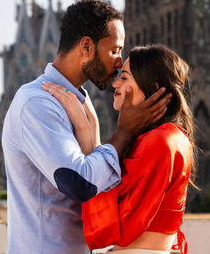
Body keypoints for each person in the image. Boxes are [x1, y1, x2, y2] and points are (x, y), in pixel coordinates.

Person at [2, 0, 171, 254]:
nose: (119, 62)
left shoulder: (79, 103)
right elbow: (79, 182)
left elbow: (101, 186)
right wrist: (124, 132)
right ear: (86, 46)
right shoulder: (37, 103)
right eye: (115, 50)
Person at [43, 44, 196, 254]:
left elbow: (121, 221)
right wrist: (92, 129)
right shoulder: (164, 136)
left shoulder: (161, 140)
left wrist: (82, 126)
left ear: (152, 85)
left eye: (124, 77)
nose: (115, 83)